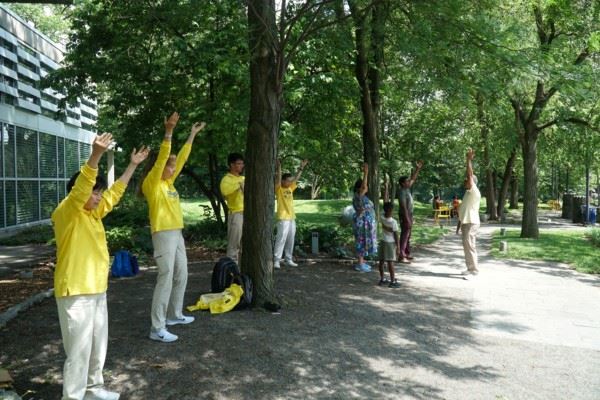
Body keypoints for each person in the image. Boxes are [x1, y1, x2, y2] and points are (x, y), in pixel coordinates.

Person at [53, 132, 149, 400]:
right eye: (94, 193)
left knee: (97, 346)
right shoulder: (67, 213)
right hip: (76, 292)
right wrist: (95, 155)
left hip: (97, 289)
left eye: (98, 193)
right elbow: (82, 187)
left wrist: (132, 166)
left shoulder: (93, 214)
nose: (97, 197)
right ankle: (73, 396)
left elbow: (115, 192)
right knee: (79, 351)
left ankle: (93, 389)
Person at [141, 112, 205, 343]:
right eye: (171, 166)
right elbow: (162, 159)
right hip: (163, 233)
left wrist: (192, 135)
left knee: (182, 273)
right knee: (166, 276)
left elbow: (183, 158)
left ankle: (174, 315)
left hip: (176, 233)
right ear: (160, 167)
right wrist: (169, 132)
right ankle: (157, 327)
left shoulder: (169, 182)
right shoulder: (152, 183)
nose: (174, 168)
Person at [273, 158, 308, 269]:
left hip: (291, 217)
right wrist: (279, 167)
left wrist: (301, 167)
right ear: (283, 181)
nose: (290, 182)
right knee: (281, 239)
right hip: (283, 218)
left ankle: (288, 259)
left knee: (290, 239)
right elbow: (278, 178)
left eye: (290, 181)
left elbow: (296, 178)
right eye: (288, 181)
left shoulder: (290, 188)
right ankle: (276, 260)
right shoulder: (278, 189)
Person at [458, 148, 481, 278]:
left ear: (472, 182)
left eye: (466, 180)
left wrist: (468, 160)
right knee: (467, 246)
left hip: (471, 223)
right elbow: (463, 210)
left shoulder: (474, 191)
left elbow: (470, 174)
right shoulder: (467, 193)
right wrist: (459, 225)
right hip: (466, 223)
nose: (464, 181)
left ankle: (474, 270)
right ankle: (470, 268)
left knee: (470, 246)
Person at [220, 152, 245, 262]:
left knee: (244, 245)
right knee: (234, 245)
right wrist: (238, 185)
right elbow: (225, 192)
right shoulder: (227, 179)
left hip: (247, 214)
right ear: (231, 165)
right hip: (236, 214)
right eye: (239, 163)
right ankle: (231, 268)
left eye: (242, 163)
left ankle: (241, 269)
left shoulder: (243, 178)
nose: (241, 166)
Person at [397, 160, 423, 263]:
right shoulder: (402, 192)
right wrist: (407, 218)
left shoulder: (406, 189)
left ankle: (406, 253)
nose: (409, 182)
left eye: (408, 181)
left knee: (408, 234)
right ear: (403, 183)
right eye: (407, 181)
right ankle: (401, 255)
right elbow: (403, 207)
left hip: (409, 214)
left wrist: (417, 169)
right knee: (405, 234)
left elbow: (413, 179)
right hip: (405, 215)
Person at [352, 163, 377, 272]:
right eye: (364, 186)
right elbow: (364, 186)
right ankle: (360, 264)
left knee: (363, 242)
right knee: (361, 242)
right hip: (362, 222)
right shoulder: (359, 196)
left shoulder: (361, 196)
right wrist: (366, 173)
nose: (366, 187)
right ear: (360, 188)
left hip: (364, 222)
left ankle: (362, 262)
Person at [378, 202, 401, 288]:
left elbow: (382, 212)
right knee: (390, 262)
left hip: (383, 241)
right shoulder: (393, 222)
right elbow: (396, 235)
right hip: (390, 243)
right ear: (391, 211)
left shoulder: (382, 217)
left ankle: (382, 279)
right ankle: (392, 281)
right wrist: (398, 247)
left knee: (381, 261)